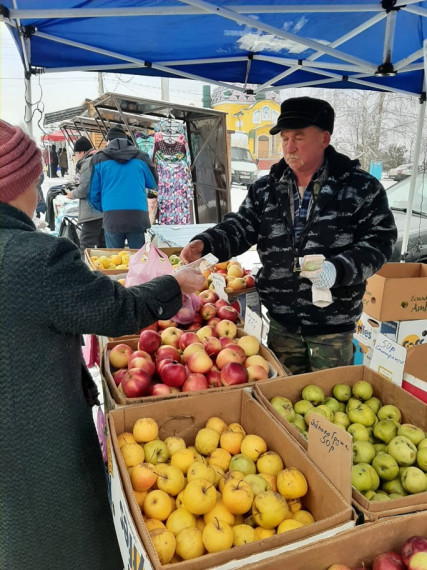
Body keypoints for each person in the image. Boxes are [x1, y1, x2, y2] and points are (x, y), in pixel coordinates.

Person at [0, 119, 206, 570]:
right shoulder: (34, 257)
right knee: (60, 542)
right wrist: (174, 283)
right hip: (36, 447)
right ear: (16, 186)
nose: (38, 194)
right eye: (34, 182)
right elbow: (116, 311)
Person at [180, 96, 397, 375]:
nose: (289, 147)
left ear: (324, 138)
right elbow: (241, 226)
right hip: (282, 323)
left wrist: (338, 269)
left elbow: (380, 242)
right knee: (285, 402)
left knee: (331, 401)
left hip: (333, 326)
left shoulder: (359, 188)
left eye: (298, 137)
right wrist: (207, 242)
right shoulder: (266, 189)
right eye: (284, 138)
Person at [88, 124, 158, 249]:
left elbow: (93, 194)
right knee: (138, 260)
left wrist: (104, 207)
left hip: (112, 217)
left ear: (108, 141)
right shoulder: (141, 157)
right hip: (137, 216)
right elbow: (153, 183)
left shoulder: (98, 159)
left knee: (114, 262)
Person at [66, 136, 105, 250]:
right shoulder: (100, 158)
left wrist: (73, 194)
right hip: (103, 208)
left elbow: (85, 187)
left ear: (83, 152)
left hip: (93, 210)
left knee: (86, 243)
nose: (77, 156)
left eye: (77, 153)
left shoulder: (88, 163)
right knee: (103, 243)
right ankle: (100, 267)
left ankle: (86, 267)